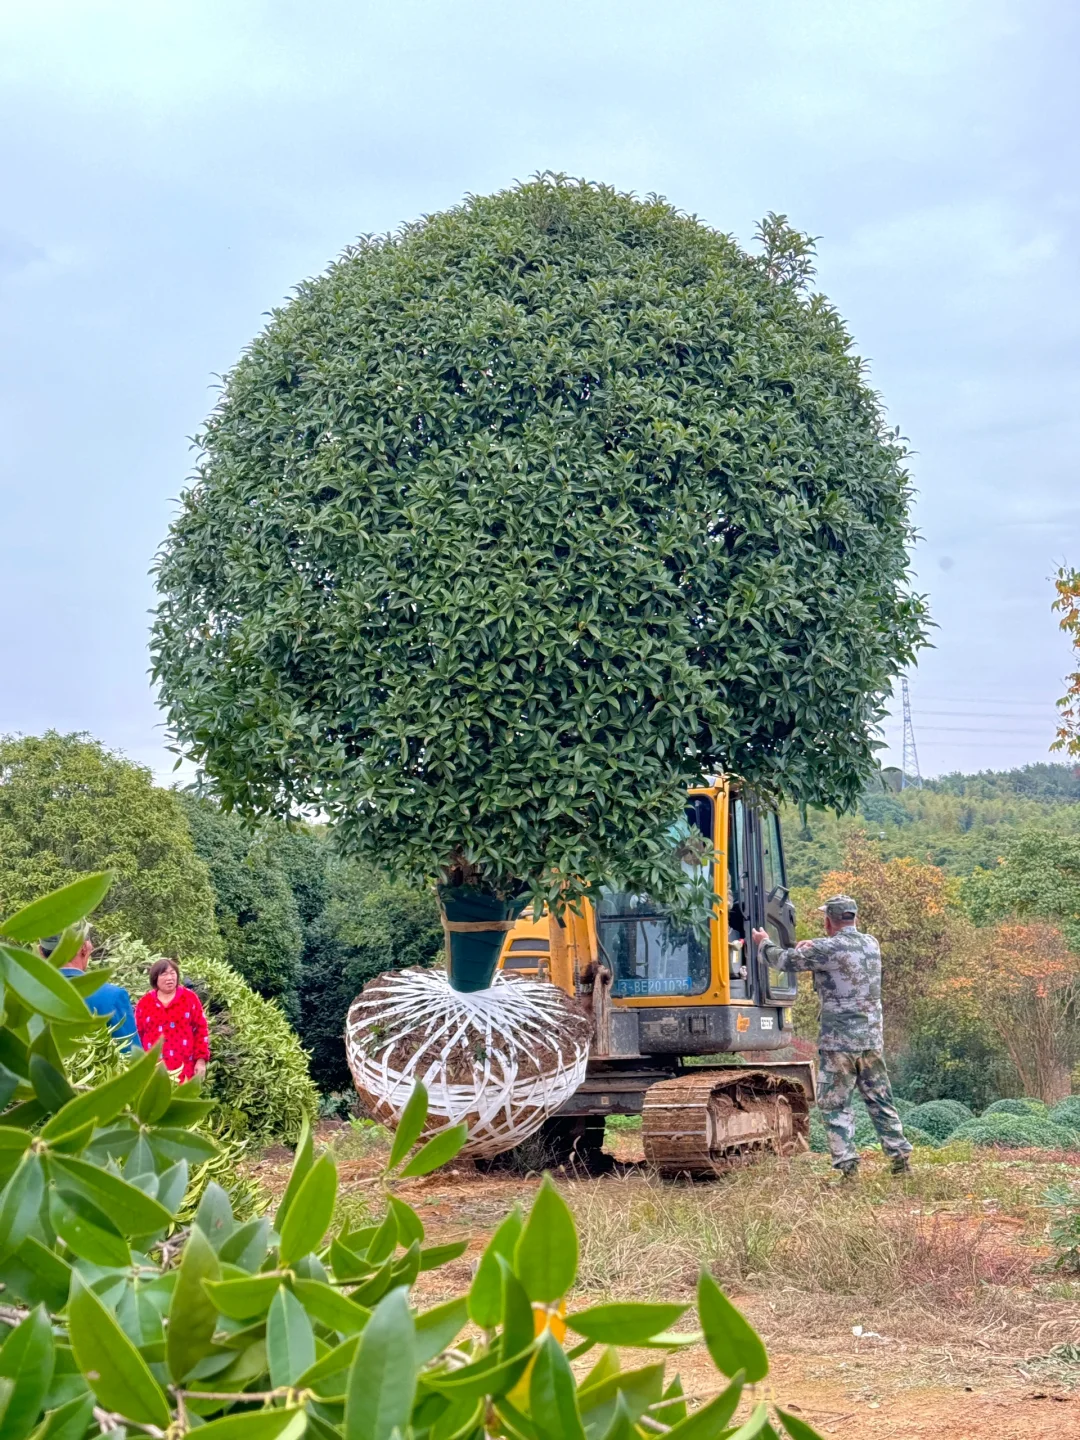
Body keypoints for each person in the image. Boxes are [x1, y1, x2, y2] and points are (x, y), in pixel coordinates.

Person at [752, 894, 912, 1180]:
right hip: (871, 1040)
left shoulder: (827, 948)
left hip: (839, 1044)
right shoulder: (871, 943)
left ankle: (848, 1168)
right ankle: (901, 1160)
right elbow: (837, 951)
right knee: (880, 1099)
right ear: (854, 918)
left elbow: (785, 960)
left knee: (834, 1104)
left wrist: (763, 942)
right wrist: (813, 945)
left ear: (828, 921)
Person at [41, 930, 141, 1052]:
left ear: (41, 952)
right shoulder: (111, 996)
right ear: (84, 948)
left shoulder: (24, 995)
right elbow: (131, 1056)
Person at [134, 958, 210, 1081]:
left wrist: (200, 1061)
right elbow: (137, 1035)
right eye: (164, 974)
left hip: (185, 1067)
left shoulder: (189, 998)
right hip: (153, 1069)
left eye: (172, 973)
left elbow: (201, 1030)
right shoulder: (145, 1003)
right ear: (155, 978)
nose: (169, 978)